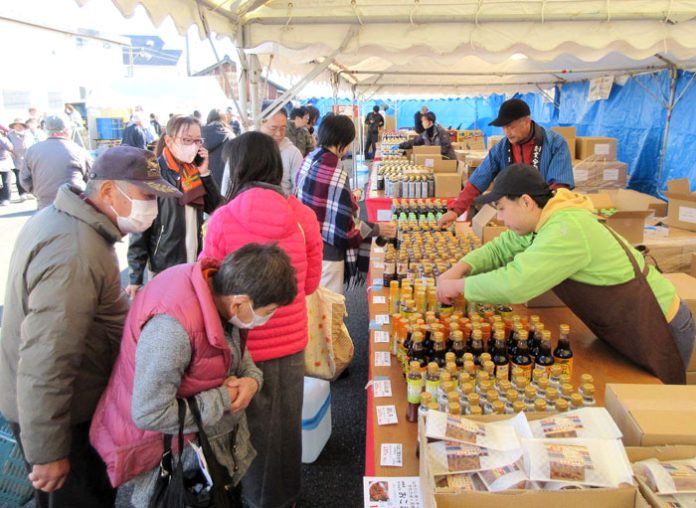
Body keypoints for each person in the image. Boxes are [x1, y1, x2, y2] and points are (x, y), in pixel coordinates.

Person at [0, 146, 181, 507]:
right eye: (147, 195)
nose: (153, 207)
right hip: (64, 418)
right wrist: (48, 450)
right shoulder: (76, 251)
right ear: (110, 191)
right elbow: (47, 358)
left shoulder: (72, 223)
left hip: (69, 405)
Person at [436, 164, 696, 385]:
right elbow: (501, 248)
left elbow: (517, 282)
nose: (500, 218)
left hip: (660, 324)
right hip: (625, 324)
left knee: (650, 405)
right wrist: (461, 268)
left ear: (526, 201)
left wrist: (459, 287)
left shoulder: (565, 228)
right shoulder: (543, 221)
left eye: (502, 208)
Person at [90, 243, 296, 506]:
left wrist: (252, 381)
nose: (266, 319)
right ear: (239, 303)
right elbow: (149, 412)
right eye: (267, 313)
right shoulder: (171, 331)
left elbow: (238, 354)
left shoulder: (217, 289)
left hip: (205, 443)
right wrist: (226, 396)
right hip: (172, 455)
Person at [202, 132, 322, 508]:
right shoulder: (302, 215)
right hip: (288, 344)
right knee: (283, 428)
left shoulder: (222, 218)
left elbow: (209, 284)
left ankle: (241, 492)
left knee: (239, 422)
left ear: (236, 168)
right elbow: (311, 283)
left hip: (239, 344)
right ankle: (280, 498)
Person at [296, 114, 396, 293]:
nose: (348, 147)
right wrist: (377, 228)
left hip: (306, 243)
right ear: (342, 141)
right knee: (330, 310)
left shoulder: (311, 158)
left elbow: (323, 201)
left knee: (313, 304)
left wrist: (350, 197)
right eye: (349, 142)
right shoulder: (334, 170)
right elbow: (344, 229)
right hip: (328, 253)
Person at [438, 98, 574, 227]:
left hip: (547, 216)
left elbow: (559, 188)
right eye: (504, 128)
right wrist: (455, 210)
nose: (507, 132)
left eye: (511, 127)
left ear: (527, 121)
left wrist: (544, 217)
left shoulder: (555, 143)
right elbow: (478, 179)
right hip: (514, 217)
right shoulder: (501, 148)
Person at [126, 115, 222, 296]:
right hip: (164, 265)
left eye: (197, 141)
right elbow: (139, 228)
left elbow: (216, 208)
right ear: (169, 141)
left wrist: (205, 174)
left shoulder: (194, 171)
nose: (193, 145)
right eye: (187, 140)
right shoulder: (153, 174)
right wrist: (135, 276)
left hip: (193, 262)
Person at [21, 115, 91, 209]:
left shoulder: (32, 150)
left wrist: (39, 192)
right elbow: (92, 178)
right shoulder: (78, 150)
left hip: (45, 205)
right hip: (75, 204)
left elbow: (24, 179)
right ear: (66, 130)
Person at [255, 106, 303, 195]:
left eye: (283, 128)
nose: (279, 134)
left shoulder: (293, 153)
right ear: (260, 124)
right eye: (273, 128)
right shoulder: (247, 149)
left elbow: (299, 189)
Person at [202, 108, 235, 187]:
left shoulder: (198, 134)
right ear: (224, 119)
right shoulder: (230, 135)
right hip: (226, 181)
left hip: (203, 180)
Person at [7, 119, 31, 201]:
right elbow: (7, 147)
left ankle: (29, 192)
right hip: (16, 158)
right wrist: (10, 153)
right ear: (13, 126)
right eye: (16, 125)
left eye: (20, 125)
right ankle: (22, 194)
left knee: (30, 177)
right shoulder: (9, 135)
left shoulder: (28, 134)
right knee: (19, 177)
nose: (18, 127)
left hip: (28, 157)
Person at [0, 129, 13, 205]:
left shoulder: (3, 139)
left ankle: (6, 198)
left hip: (4, 162)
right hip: (4, 161)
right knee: (5, 181)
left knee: (6, 181)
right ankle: (3, 198)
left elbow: (10, 148)